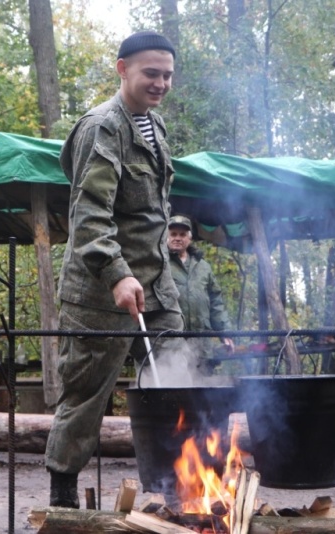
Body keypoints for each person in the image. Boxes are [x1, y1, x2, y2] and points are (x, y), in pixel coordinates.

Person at [45, 30, 189, 508]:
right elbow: (89, 215)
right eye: (151, 73)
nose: (161, 83)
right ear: (122, 69)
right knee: (85, 396)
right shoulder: (103, 126)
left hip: (156, 284)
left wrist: (153, 274)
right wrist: (116, 273)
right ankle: (63, 495)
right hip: (100, 288)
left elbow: (152, 214)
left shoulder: (156, 127)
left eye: (167, 74)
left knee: (175, 382)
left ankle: (177, 491)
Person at [167, 215, 234, 365]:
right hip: (171, 343)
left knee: (203, 386)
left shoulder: (203, 266)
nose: (177, 238)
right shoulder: (160, 264)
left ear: (189, 238)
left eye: (182, 234)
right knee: (174, 385)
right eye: (173, 234)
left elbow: (216, 301)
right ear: (167, 237)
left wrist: (225, 333)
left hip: (202, 344)